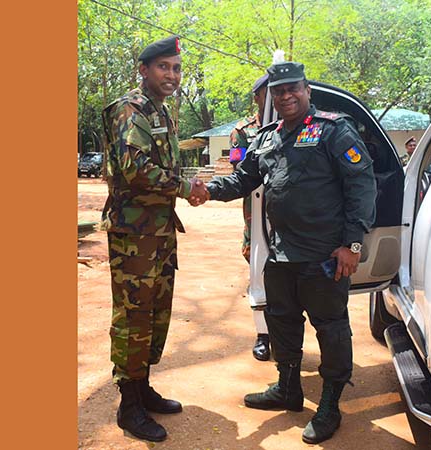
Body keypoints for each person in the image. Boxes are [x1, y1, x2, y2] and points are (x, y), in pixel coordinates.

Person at [190, 61, 377, 444]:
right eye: (279, 91)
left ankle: (329, 403)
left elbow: (362, 185)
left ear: (307, 90)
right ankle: (288, 389)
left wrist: (352, 244)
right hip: (281, 253)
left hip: (325, 254)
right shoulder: (268, 136)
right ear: (272, 97)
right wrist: (209, 191)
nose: (287, 96)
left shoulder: (333, 130)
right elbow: (245, 178)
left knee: (331, 327)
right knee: (282, 322)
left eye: (294, 88)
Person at [101, 35, 208, 442]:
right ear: (144, 70)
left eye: (177, 68)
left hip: (158, 230)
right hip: (133, 234)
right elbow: (136, 169)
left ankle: (142, 387)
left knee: (157, 310)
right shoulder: (130, 109)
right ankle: (129, 405)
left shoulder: (163, 111)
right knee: (133, 314)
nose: (172, 75)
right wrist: (185, 188)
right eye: (164, 67)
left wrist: (182, 189)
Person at [228, 74, 271, 362]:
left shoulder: (297, 125)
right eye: (267, 92)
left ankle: (286, 334)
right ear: (257, 97)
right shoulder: (242, 131)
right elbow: (238, 168)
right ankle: (263, 335)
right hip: (256, 211)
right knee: (259, 270)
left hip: (292, 214)